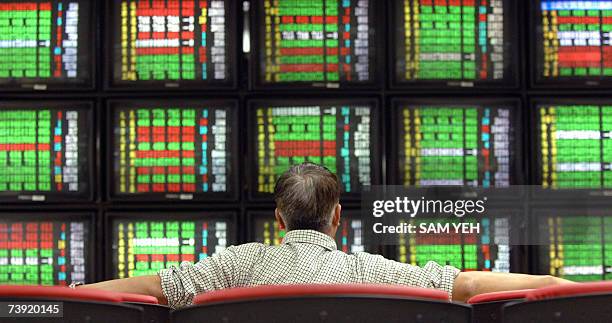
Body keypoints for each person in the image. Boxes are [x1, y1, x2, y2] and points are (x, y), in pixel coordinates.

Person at [82, 162, 572, 308]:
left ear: (278, 218)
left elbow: (149, 288)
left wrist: (68, 297)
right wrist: (554, 284)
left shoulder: (236, 266)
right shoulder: (366, 271)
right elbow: (465, 286)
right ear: (337, 217)